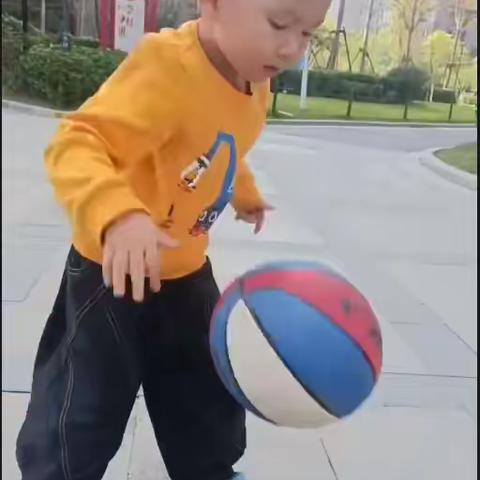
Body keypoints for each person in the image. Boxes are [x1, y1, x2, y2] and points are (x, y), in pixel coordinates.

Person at [16, 1, 332, 479]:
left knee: (205, 390)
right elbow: (76, 142)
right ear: (214, 5)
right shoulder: (168, 68)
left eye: (309, 33)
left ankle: (211, 470)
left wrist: (243, 193)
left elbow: (221, 142)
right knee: (84, 403)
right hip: (113, 274)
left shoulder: (254, 78)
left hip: (185, 270)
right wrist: (119, 215)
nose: (291, 48)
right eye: (279, 23)